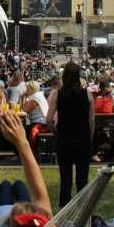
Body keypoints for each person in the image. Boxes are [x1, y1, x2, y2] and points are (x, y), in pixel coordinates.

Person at [47, 61, 92, 208]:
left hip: (64, 138)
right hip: (82, 138)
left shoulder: (57, 94)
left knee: (65, 178)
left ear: (64, 75)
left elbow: (48, 119)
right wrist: (89, 136)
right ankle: (83, 209)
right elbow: (91, 119)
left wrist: (56, 133)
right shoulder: (88, 94)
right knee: (82, 179)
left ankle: (64, 209)